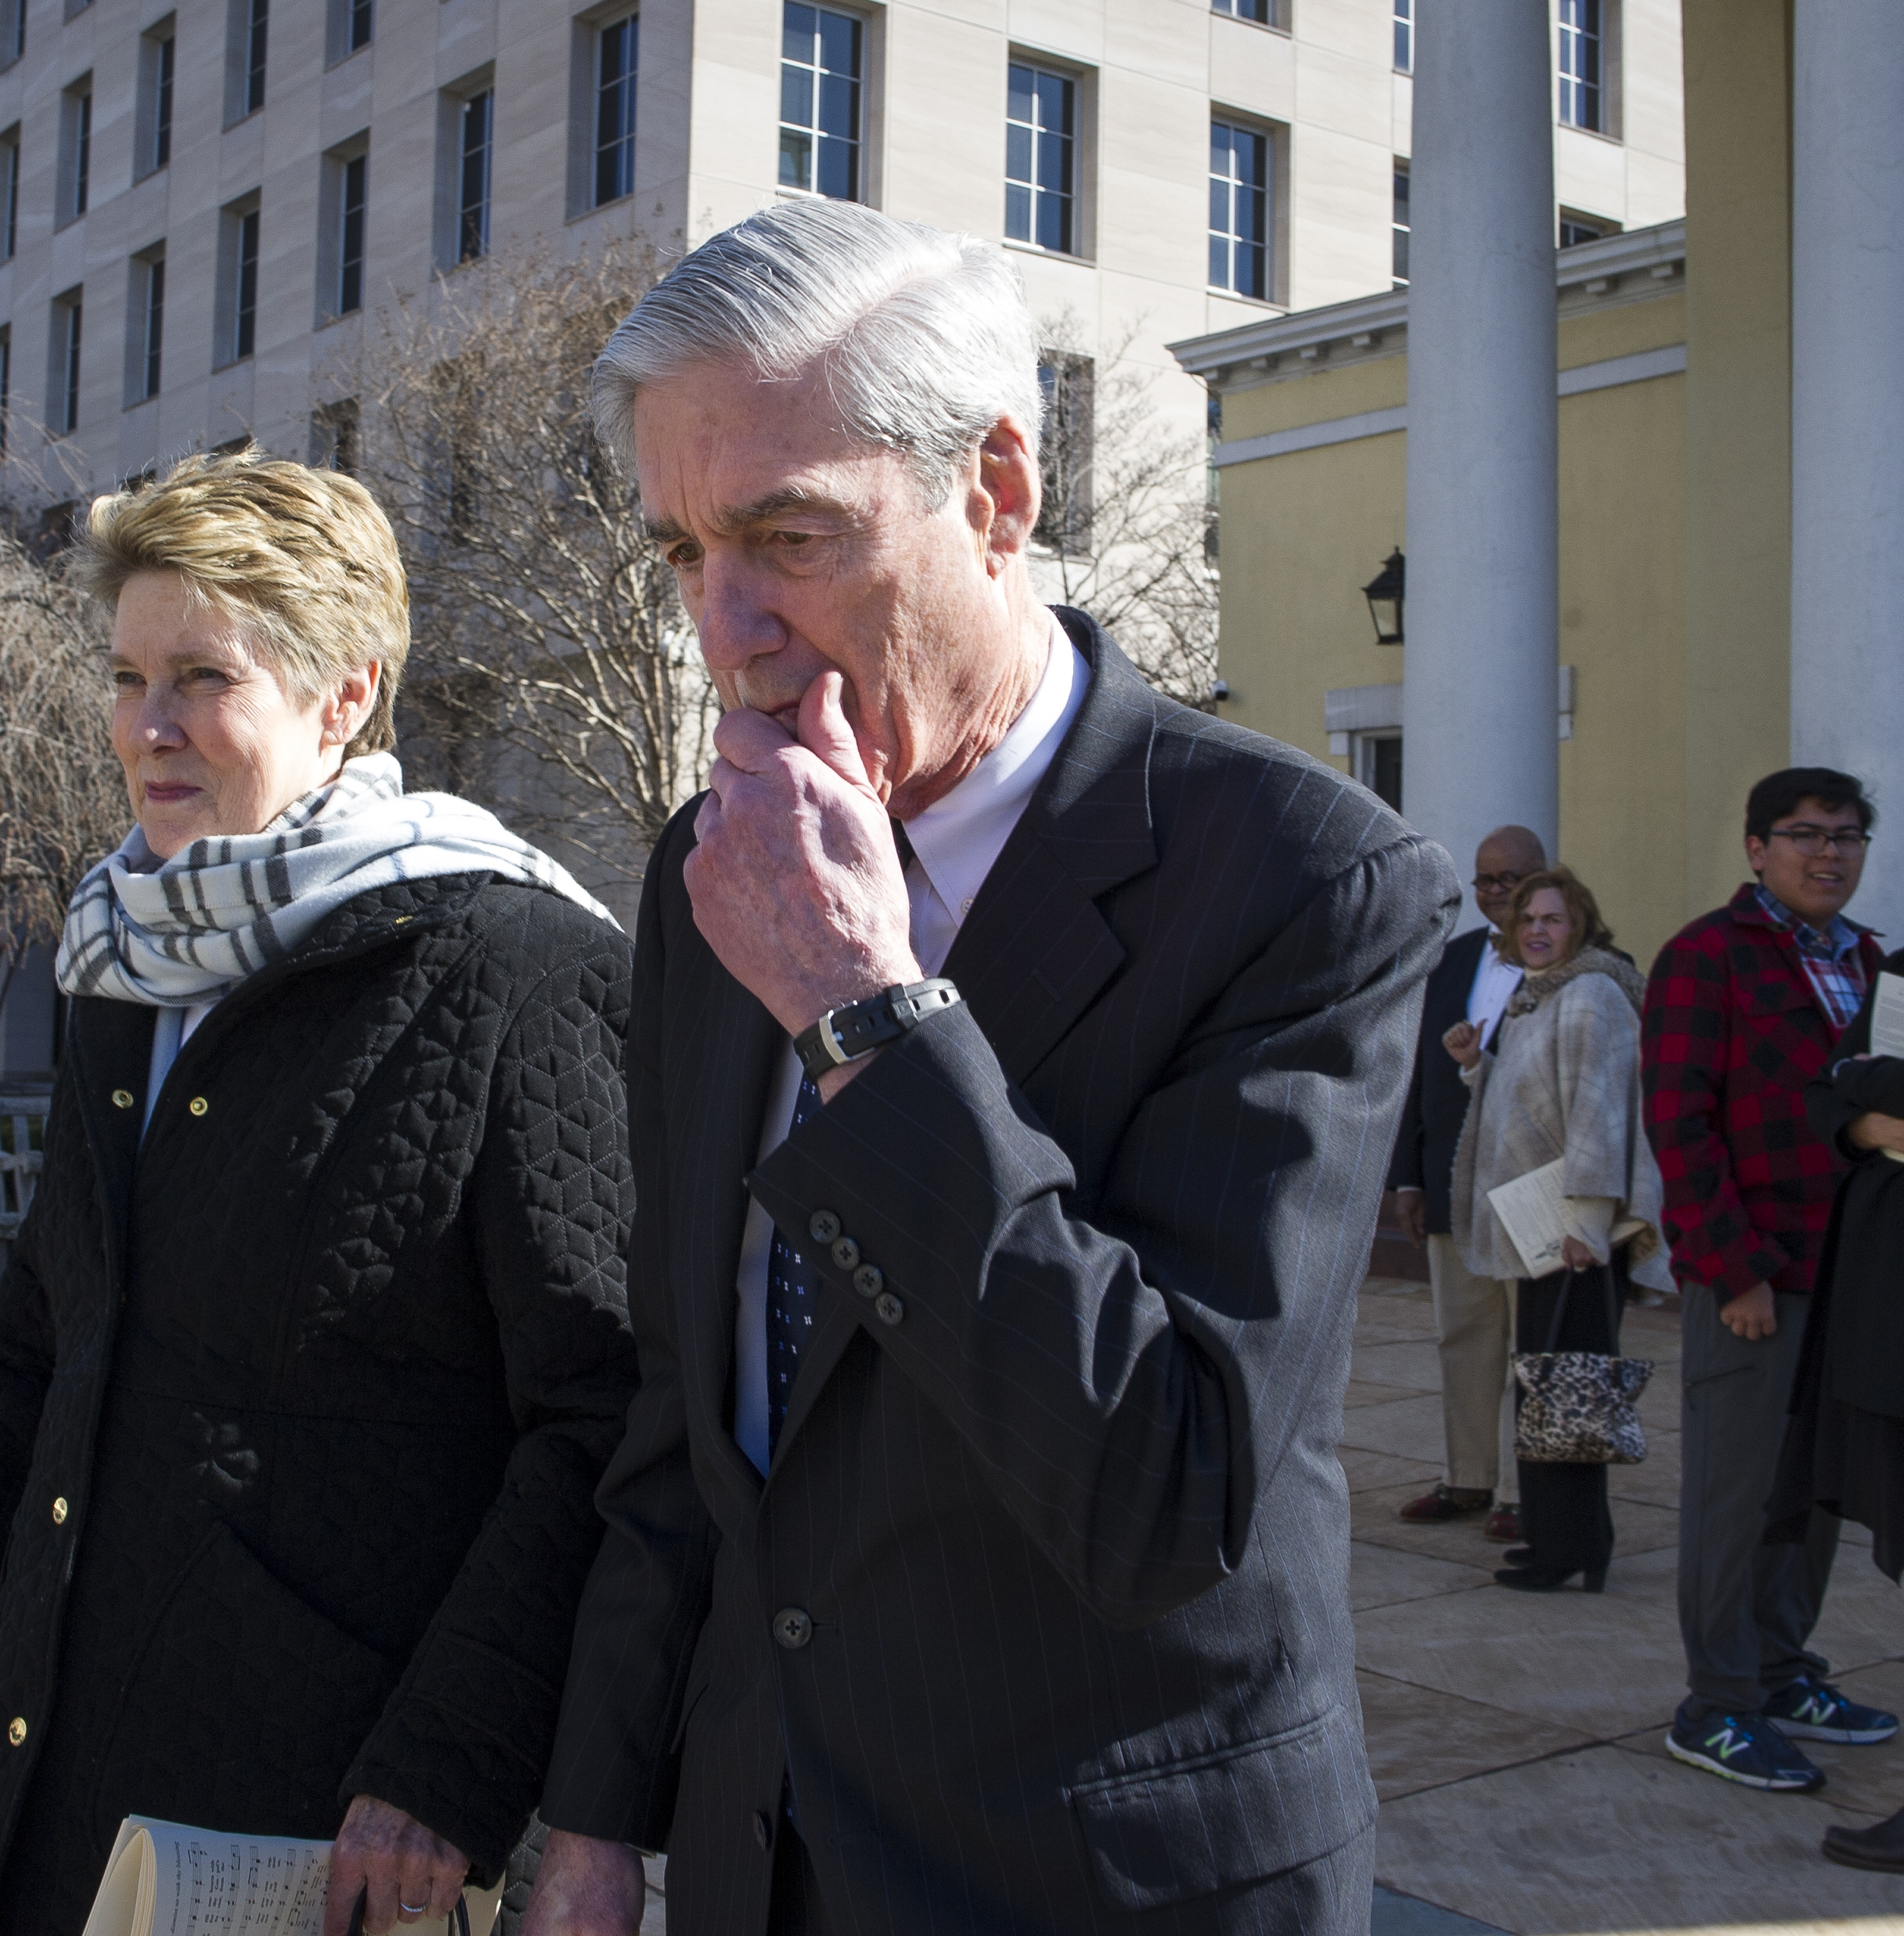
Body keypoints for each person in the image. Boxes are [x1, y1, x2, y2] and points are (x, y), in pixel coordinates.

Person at [521, 201, 1457, 1936]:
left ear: (998, 491)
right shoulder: (704, 869)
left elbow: (1167, 1489)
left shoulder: (1299, 881)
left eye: (788, 536)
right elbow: (687, 1408)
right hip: (758, 1861)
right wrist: (592, 1821)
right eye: (679, 553)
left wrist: (863, 1018)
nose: (724, 631)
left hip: (1100, 1885)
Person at [0, 454, 640, 1936]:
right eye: (127, 677)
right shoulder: (120, 966)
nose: (150, 727)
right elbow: (28, 1371)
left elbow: (607, 1420)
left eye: (203, 675)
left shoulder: (518, 974)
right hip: (38, 1796)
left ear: (345, 695)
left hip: (309, 1828)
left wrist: (450, 1766)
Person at [1646, 766, 1896, 1793]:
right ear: (1756, 848)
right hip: (1753, 1278)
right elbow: (1679, 1124)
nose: (1826, 852)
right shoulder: (1708, 956)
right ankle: (1718, 1703)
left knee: (1813, 1499)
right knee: (1738, 1500)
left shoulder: (1875, 961)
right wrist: (1731, 1269)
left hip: (1852, 1282)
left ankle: (1786, 1671)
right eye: (1802, 833)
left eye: (1845, 835)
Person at [1444, 867, 1671, 1592]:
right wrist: (1474, 1066)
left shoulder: (1590, 996)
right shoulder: (1538, 999)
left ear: (1581, 927)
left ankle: (1570, 1547)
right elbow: (1531, 1107)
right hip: (1540, 1229)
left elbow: (1598, 1118)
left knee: (1566, 1389)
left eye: (1553, 918)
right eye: (1527, 920)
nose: (1538, 930)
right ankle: (1559, 1538)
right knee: (1548, 1387)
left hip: (1570, 1236)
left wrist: (1586, 1223)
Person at [1769, 986, 1904, 1869]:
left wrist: (1874, 1088)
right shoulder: (1901, 972)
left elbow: (1859, 1080)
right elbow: (1827, 1100)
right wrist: (1866, 1118)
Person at [1389, 824, 1548, 1542]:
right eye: (1484, 881)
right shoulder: (1448, 963)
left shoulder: (1574, 967)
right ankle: (1469, 1477)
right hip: (1453, 1182)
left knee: (1528, 1343)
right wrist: (1408, 1180)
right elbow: (1418, 1075)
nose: (1494, 893)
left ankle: (1525, 1488)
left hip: (1532, 1188)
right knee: (1464, 1333)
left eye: (1508, 880)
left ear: (1543, 881)